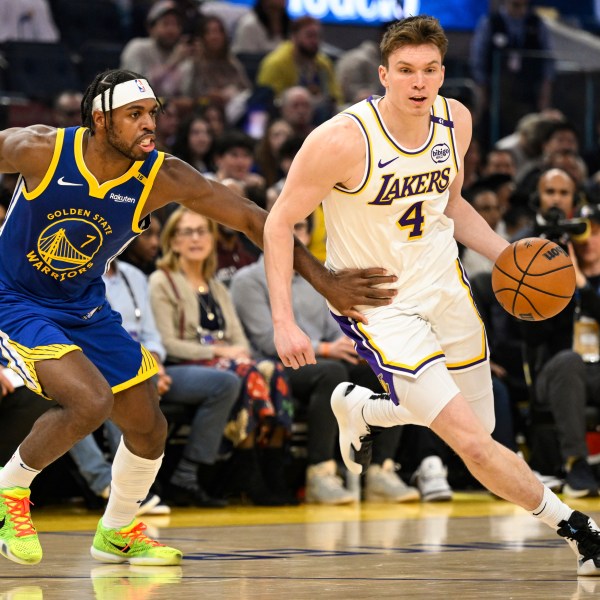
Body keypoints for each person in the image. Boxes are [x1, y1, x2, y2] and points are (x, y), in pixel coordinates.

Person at [0, 67, 396, 567]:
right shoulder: (40, 150)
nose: (150, 125)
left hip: (85, 305)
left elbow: (255, 219)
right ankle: (8, 493)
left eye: (152, 114)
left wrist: (325, 280)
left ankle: (117, 530)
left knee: (148, 426)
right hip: (15, 299)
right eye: (134, 115)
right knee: (91, 402)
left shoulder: (161, 176)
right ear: (101, 122)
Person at [263, 16, 600, 576]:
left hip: (445, 287)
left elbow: (450, 203)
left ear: (442, 72)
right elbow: (277, 224)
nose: (418, 83)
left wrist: (505, 254)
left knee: (480, 431)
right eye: (405, 71)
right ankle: (579, 531)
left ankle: (363, 408)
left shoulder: (455, 121)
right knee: (470, 441)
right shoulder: (341, 140)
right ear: (383, 74)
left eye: (429, 70)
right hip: (381, 305)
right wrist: (283, 321)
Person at [230, 218, 420, 504]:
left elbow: (336, 329)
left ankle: (380, 471)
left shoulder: (318, 277)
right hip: (273, 368)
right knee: (331, 373)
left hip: (322, 361)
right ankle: (320, 473)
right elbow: (266, 340)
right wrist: (327, 348)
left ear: (308, 234)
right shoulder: (247, 280)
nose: (293, 233)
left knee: (384, 369)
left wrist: (358, 346)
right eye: (285, 226)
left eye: (300, 227)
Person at [148, 208, 296, 505]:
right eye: (186, 232)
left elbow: (239, 339)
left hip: (225, 364)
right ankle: (220, 470)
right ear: (173, 242)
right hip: (178, 367)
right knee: (242, 373)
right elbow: (168, 344)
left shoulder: (216, 286)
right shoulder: (161, 281)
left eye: (202, 231)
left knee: (272, 371)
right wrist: (218, 351)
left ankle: (269, 465)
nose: (195, 239)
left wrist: (235, 353)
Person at [470, 0, 555, 146]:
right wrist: (482, 95)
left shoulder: (536, 24)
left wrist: (544, 96)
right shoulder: (491, 22)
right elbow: (478, 60)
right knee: (494, 134)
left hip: (528, 94)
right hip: (497, 94)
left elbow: (548, 62)